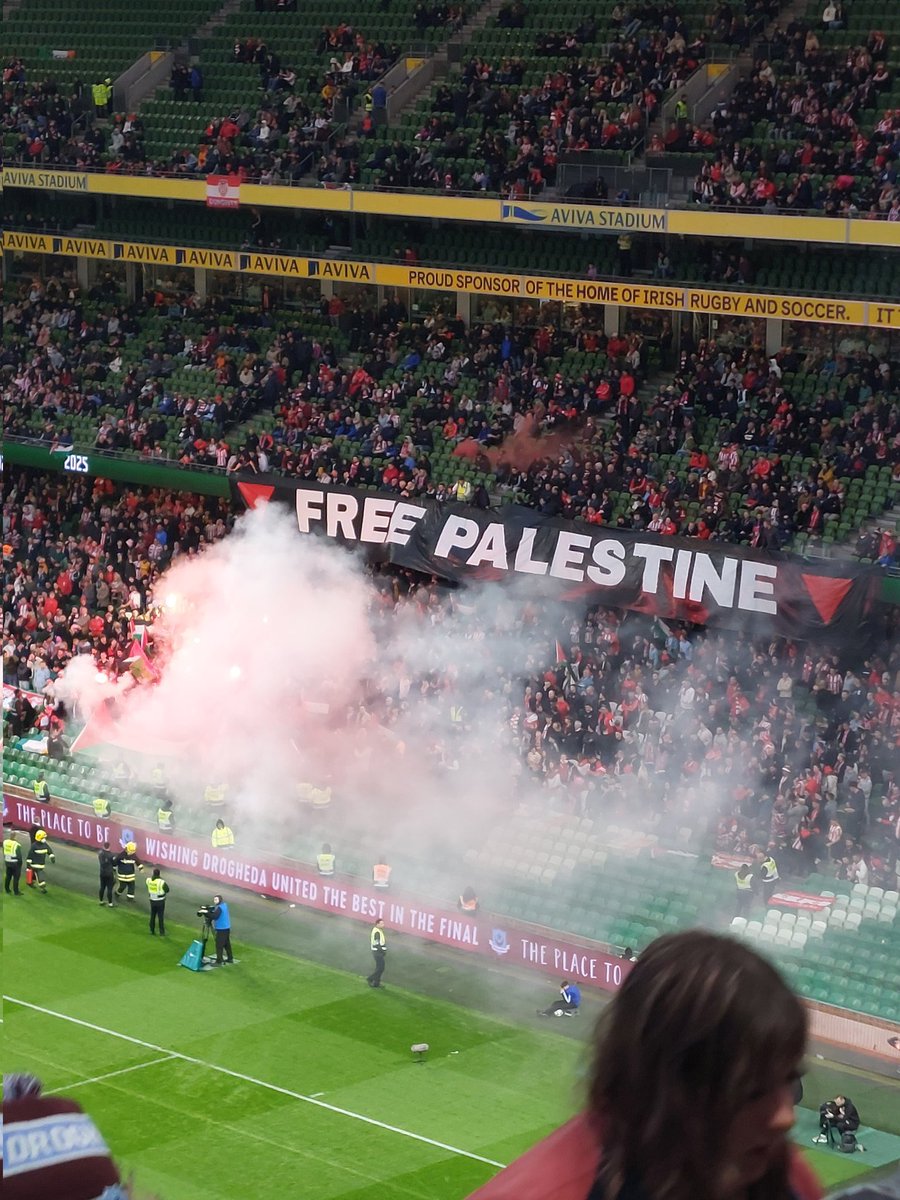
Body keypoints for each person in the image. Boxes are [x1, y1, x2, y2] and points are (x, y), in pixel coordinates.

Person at [468, 930, 821, 1200]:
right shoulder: (546, 1190)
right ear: (663, 1088)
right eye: (751, 1091)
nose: (785, 1117)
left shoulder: (784, 1176)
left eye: (788, 1082)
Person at [210, 894, 234, 964]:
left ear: (219, 900)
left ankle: (219, 961)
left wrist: (206, 913)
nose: (215, 901)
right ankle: (230, 958)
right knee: (227, 944)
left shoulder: (220, 908)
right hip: (226, 928)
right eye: (214, 900)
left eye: (216, 900)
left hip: (221, 929)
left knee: (219, 945)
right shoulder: (224, 905)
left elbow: (215, 916)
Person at [146, 867, 169, 935]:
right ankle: (162, 932)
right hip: (160, 901)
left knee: (152, 915)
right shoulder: (161, 882)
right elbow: (167, 890)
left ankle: (151, 930)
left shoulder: (148, 880)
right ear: (159, 874)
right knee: (160, 916)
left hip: (152, 900)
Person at [4, 824, 24, 895]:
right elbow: (19, 856)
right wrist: (20, 863)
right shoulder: (16, 844)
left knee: (8, 876)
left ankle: (7, 889)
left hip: (7, 861)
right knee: (16, 877)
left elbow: (4, 851)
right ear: (15, 837)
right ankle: (16, 891)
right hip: (15, 863)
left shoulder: (5, 842)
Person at [367, 917, 387, 988]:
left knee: (379, 967)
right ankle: (370, 978)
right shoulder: (377, 932)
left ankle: (376, 983)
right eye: (381, 923)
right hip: (377, 952)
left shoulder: (377, 930)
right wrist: (383, 950)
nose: (383, 925)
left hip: (377, 951)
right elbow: (377, 943)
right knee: (380, 968)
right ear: (377, 924)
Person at [97, 841, 116, 907]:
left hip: (102, 873)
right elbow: (114, 864)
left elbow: (101, 862)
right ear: (109, 846)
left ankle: (101, 901)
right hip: (109, 873)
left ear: (103, 846)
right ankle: (110, 903)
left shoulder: (100, 853)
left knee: (102, 887)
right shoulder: (111, 855)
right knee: (109, 888)